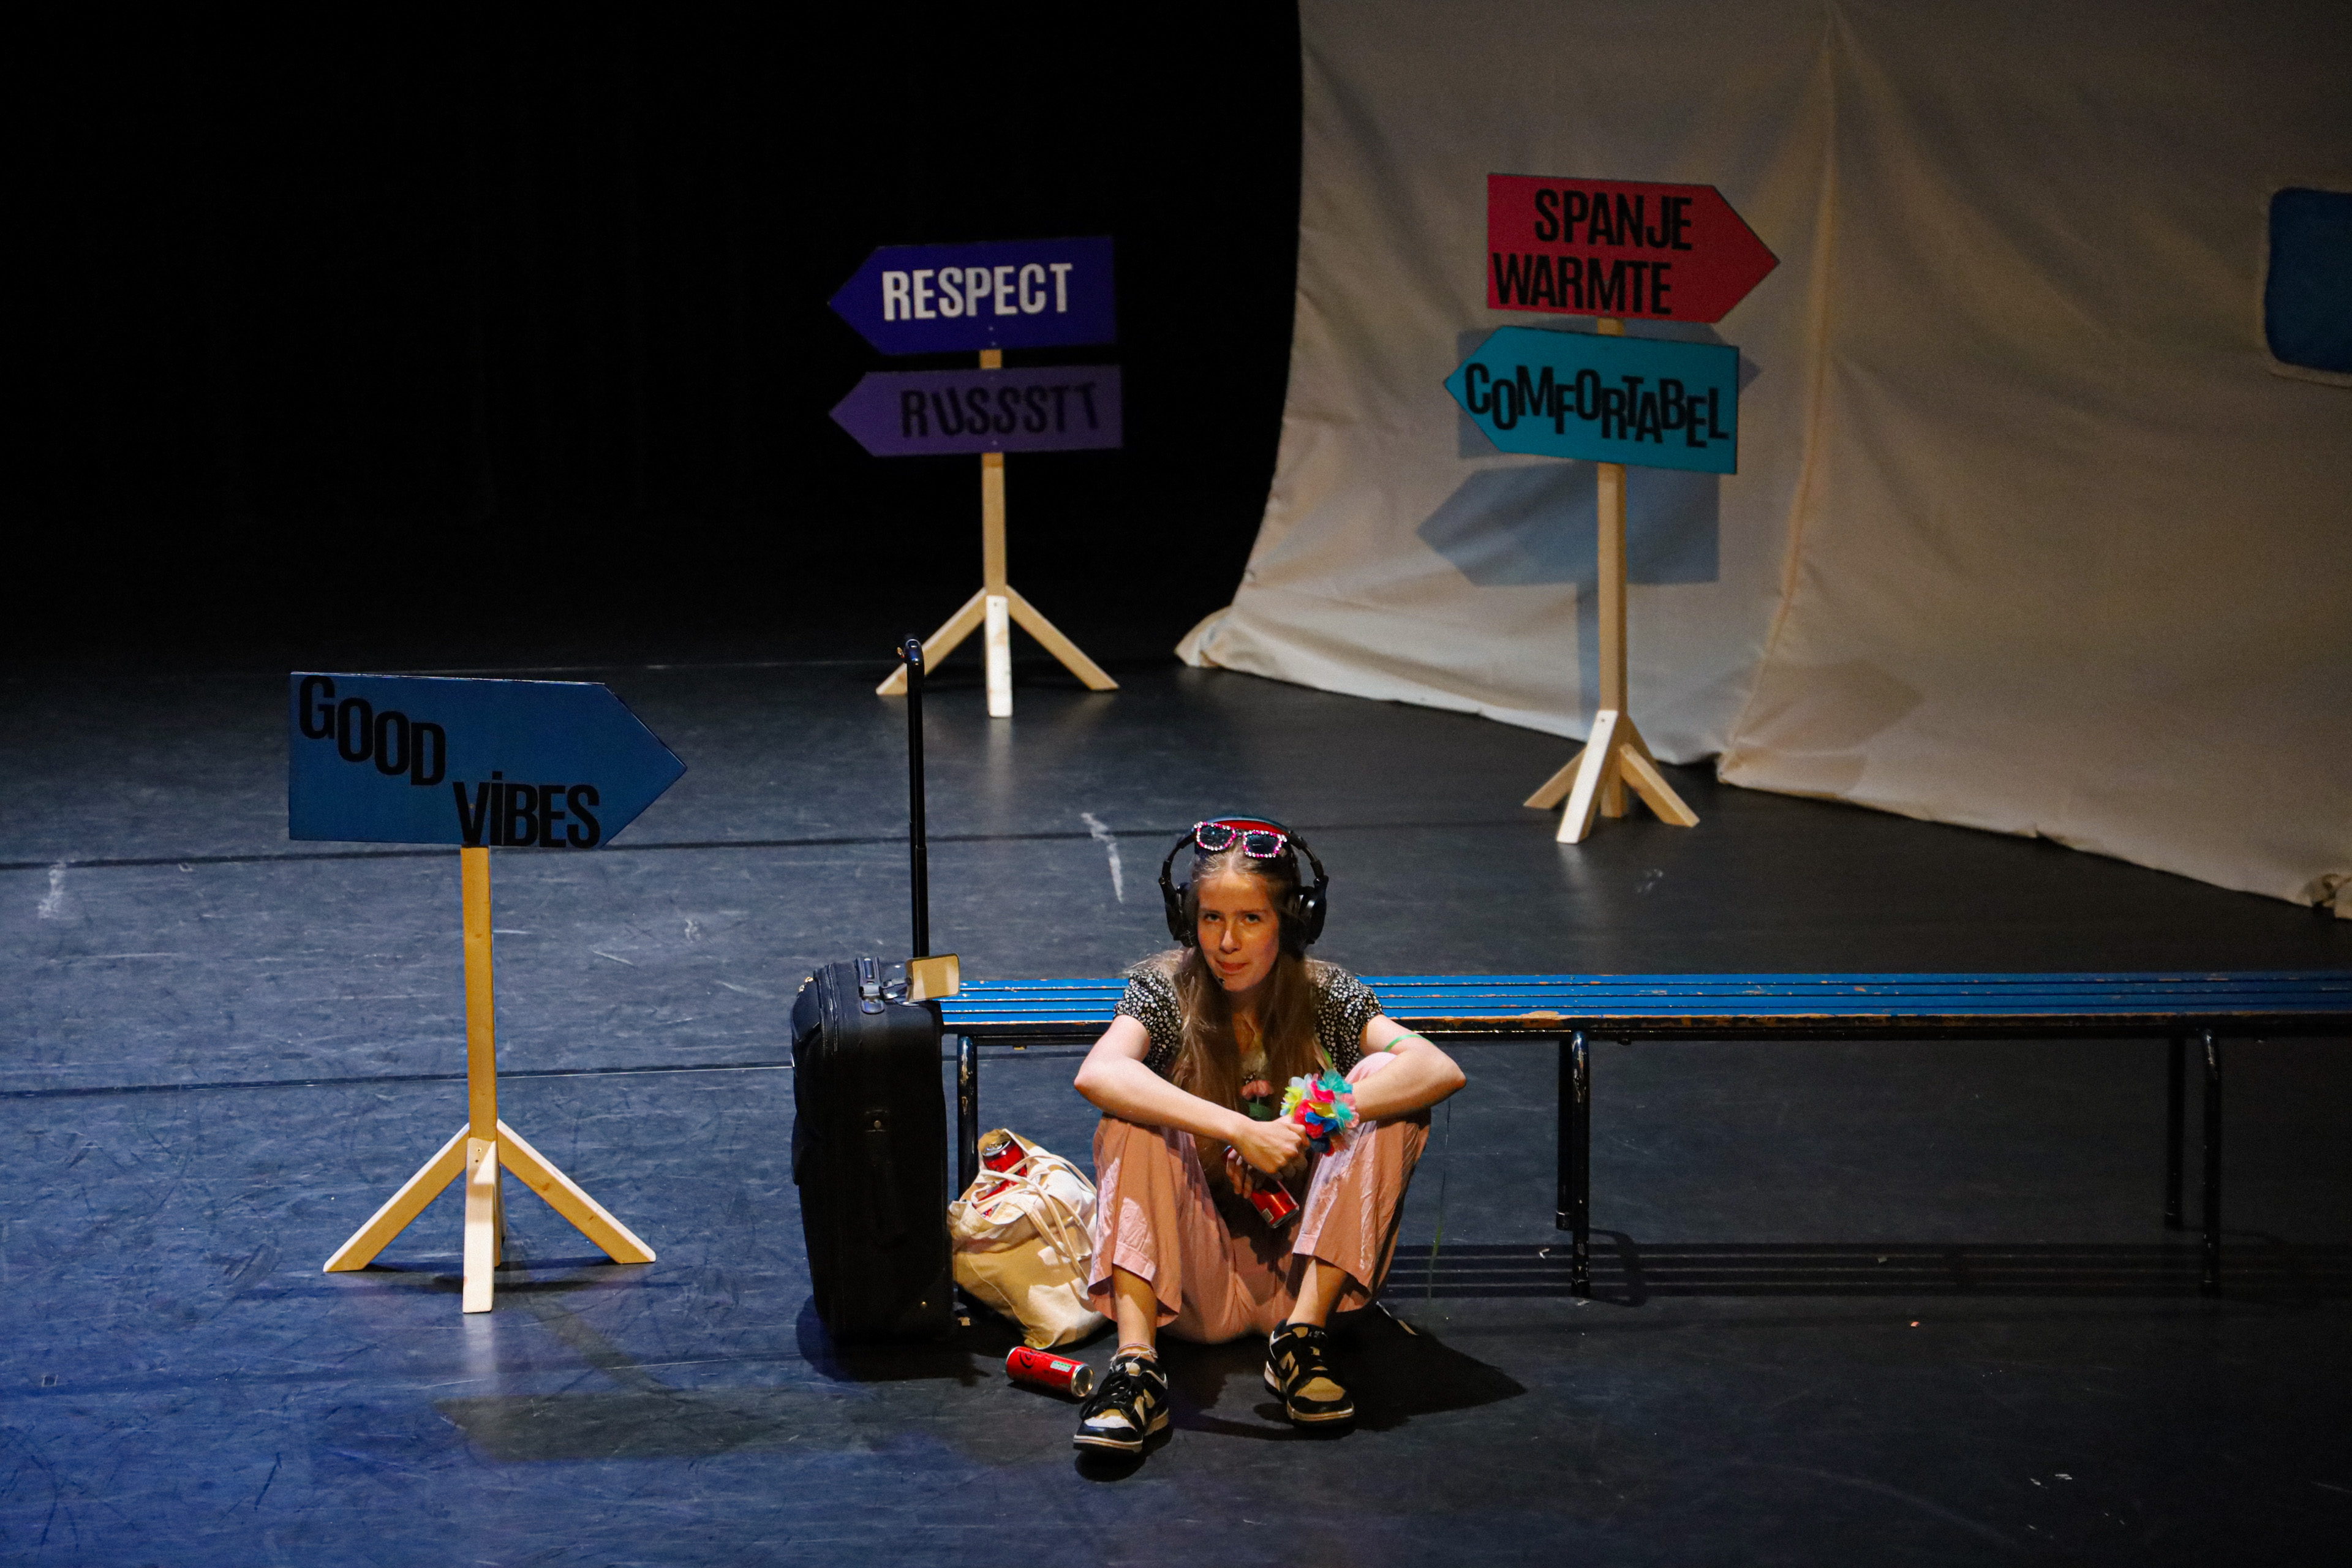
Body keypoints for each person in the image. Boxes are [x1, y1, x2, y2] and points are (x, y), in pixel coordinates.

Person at [1069, 816, 1466, 1455]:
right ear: (1187, 920)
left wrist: (1306, 1122)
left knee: (1384, 1089)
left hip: (1304, 1278)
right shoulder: (1166, 992)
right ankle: (1136, 1367)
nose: (1227, 942)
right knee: (1132, 1111)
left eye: (1251, 919)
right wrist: (1237, 1129)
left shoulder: (1326, 994)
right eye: (1211, 918)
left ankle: (1301, 1342)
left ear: (1291, 921)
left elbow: (1435, 1068)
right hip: (1195, 1287)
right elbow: (1100, 1072)